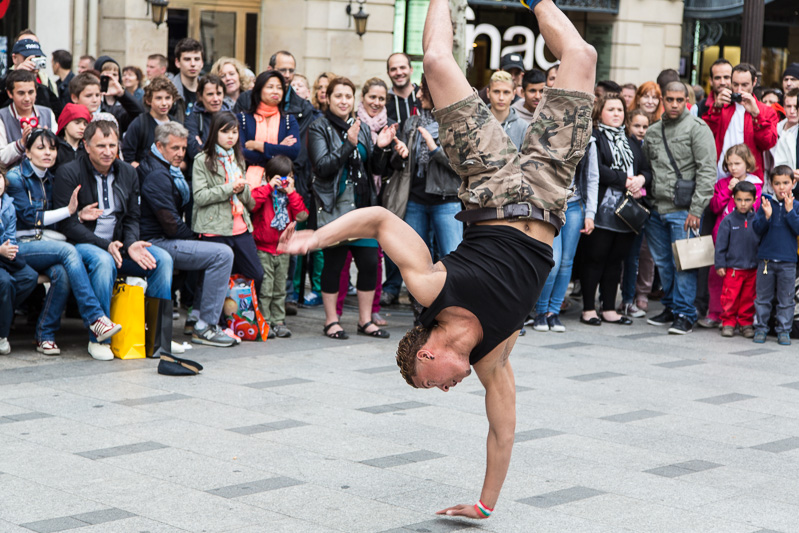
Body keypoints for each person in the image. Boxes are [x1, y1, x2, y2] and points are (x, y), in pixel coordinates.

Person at [280, 0, 595, 516]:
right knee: (581, 56)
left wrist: (317, 239)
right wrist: (484, 505)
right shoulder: (493, 356)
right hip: (548, 190)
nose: (450, 387)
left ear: (427, 354)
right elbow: (503, 429)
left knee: (436, 63)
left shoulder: (433, 290)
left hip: (491, 184)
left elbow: (381, 222)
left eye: (437, 382)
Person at [52, 120, 173, 361]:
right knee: (103, 261)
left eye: (112, 145)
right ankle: (99, 338)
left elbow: (132, 217)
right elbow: (67, 224)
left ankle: (158, 338)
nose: (108, 151)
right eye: (100, 146)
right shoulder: (69, 172)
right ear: (86, 146)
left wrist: (131, 244)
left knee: (162, 259)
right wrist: (104, 245)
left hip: (120, 246)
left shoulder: (128, 171)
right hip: (84, 246)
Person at [8, 128, 122, 358]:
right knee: (69, 251)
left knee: (62, 272)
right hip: (19, 246)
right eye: (40, 148)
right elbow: (31, 218)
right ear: (27, 152)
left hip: (45, 244)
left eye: (52, 148)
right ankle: (95, 318)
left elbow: (56, 222)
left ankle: (45, 335)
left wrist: (77, 216)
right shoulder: (15, 177)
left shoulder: (52, 176)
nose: (48, 153)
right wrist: (69, 210)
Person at [308, 76, 397, 340]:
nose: (344, 101)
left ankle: (365, 320)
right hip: (335, 207)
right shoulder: (319, 127)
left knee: (369, 264)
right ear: (328, 98)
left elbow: (376, 170)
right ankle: (331, 321)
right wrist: (348, 143)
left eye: (348, 96)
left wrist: (381, 148)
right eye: (338, 96)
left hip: (364, 207)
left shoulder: (360, 126)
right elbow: (322, 166)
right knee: (334, 265)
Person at [138, 122, 236, 347]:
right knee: (222, 254)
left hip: (164, 238)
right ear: (159, 146)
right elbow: (171, 224)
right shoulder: (156, 175)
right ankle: (205, 326)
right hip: (156, 243)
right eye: (175, 148)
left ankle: (197, 318)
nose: (181, 153)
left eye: (183, 148)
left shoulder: (164, 168)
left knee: (215, 249)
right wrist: (196, 238)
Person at [382, 75, 462, 314]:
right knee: (416, 258)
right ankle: (421, 309)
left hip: (446, 201)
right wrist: (400, 153)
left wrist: (435, 149)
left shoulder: (453, 123)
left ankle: (452, 307)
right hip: (415, 199)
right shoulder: (412, 122)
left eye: (423, 91)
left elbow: (461, 167)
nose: (417, 96)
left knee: (452, 256)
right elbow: (400, 163)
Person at [643, 81, 717, 334]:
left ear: (687, 100)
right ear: (663, 99)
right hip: (655, 208)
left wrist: (696, 209)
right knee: (664, 264)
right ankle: (671, 307)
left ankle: (685, 313)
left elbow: (708, 171)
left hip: (684, 209)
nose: (674, 104)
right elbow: (646, 169)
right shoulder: (653, 131)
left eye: (679, 100)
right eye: (670, 99)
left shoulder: (698, 129)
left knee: (684, 263)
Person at [578, 92, 651, 327]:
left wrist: (640, 179)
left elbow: (647, 170)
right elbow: (596, 170)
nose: (617, 114)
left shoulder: (631, 142)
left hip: (627, 213)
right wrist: (625, 179)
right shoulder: (595, 138)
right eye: (611, 109)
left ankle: (609, 307)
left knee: (616, 261)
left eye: (620, 110)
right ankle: (589, 308)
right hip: (600, 210)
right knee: (595, 259)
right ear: (600, 113)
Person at [335, 77, 396, 325]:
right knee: (341, 258)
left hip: (377, 197)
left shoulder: (391, 125)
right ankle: (335, 313)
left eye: (381, 99)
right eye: (373, 97)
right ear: (363, 98)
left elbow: (382, 167)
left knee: (373, 259)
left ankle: (372, 310)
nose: (377, 102)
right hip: (349, 197)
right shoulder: (351, 123)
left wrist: (390, 149)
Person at [533, 132, 598, 332]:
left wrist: (590, 213)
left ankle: (554, 312)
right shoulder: (547, 132)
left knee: (567, 262)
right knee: (553, 261)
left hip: (574, 205)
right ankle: (540, 312)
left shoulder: (589, 141)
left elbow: (593, 178)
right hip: (548, 206)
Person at [192, 111, 263, 293]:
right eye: (225, 132)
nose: (230, 136)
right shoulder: (202, 160)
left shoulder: (238, 158)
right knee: (218, 281)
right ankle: (221, 319)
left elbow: (247, 199)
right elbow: (200, 196)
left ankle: (240, 318)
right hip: (214, 227)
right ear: (215, 132)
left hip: (240, 225)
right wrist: (230, 188)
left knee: (256, 274)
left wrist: (242, 188)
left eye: (234, 132)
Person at [251, 155, 308, 338]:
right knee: (266, 288)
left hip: (283, 248)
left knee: (280, 287)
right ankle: (265, 321)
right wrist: (269, 187)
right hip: (263, 248)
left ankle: (278, 321)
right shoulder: (263, 192)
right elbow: (252, 204)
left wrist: (291, 192)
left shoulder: (291, 197)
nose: (283, 182)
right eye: (279, 177)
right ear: (269, 177)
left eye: (288, 177)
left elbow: (301, 215)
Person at [706, 143, 763, 327]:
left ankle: (741, 318)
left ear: (747, 163)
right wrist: (728, 190)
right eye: (729, 164)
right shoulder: (722, 183)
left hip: (745, 241)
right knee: (717, 275)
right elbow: (714, 206)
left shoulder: (756, 184)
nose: (733, 168)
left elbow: (756, 209)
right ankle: (716, 313)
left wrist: (741, 190)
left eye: (737, 163)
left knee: (743, 281)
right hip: (722, 238)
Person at [703, 62, 778, 180]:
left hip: (750, 179)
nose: (739, 89)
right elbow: (705, 135)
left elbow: (768, 143)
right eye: (735, 84)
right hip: (720, 178)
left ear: (754, 82)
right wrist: (716, 108)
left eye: (744, 85)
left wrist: (756, 115)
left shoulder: (766, 111)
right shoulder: (722, 107)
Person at [752, 165, 799, 346]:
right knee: (763, 298)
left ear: (793, 183)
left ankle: (784, 330)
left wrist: (790, 212)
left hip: (788, 262)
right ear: (771, 185)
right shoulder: (766, 204)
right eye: (777, 183)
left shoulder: (795, 206)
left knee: (786, 299)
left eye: (786, 183)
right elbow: (757, 229)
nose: (781, 187)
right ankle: (761, 328)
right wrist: (767, 216)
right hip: (766, 260)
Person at [238, 71, 301, 191]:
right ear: (259, 90)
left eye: (279, 88)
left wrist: (258, 145)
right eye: (270, 87)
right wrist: (279, 149)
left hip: (282, 186)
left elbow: (293, 151)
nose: (276, 91)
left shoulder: (288, 120)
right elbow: (241, 153)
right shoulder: (243, 119)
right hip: (247, 184)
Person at [619, 108, 654, 317]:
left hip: (638, 209)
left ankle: (627, 299)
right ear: (628, 125)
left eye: (645, 127)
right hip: (619, 206)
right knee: (618, 257)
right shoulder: (625, 144)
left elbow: (648, 172)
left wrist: (642, 180)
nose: (641, 130)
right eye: (637, 126)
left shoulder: (647, 146)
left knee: (634, 256)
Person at [0, 171, 39, 355]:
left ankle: (4, 313)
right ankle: (2, 334)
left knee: (29, 276)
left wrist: (9, 248)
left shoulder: (8, 203)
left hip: (5, 256)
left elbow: (10, 234)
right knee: (4, 283)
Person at [714, 181, 758, 338]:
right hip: (733, 269)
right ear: (733, 199)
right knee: (729, 297)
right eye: (739, 200)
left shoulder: (758, 220)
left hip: (752, 268)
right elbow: (720, 245)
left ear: (754, 199)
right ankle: (728, 322)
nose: (743, 204)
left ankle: (746, 323)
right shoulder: (728, 221)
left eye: (747, 200)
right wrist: (720, 264)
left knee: (749, 298)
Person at [0, 70, 57, 167]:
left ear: (36, 91)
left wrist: (46, 140)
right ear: (10, 93)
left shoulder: (47, 113)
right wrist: (21, 143)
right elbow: (1, 158)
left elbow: (56, 149)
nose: (27, 98)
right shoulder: (2, 116)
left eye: (31, 92)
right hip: (12, 178)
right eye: (21, 93)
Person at [122, 76, 178, 167]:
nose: (164, 103)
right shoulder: (139, 124)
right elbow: (128, 159)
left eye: (167, 98)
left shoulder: (176, 125)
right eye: (158, 98)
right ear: (149, 100)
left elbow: (184, 161)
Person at [0, 37, 60, 114]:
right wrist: (16, 75)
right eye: (27, 58)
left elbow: (57, 113)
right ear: (14, 58)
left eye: (36, 59)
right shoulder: (4, 82)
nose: (32, 64)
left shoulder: (44, 88)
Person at [94, 56, 145, 134]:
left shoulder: (123, 102)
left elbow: (139, 114)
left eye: (114, 75)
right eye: (106, 75)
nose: (111, 78)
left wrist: (122, 94)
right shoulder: (94, 99)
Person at [186, 75, 228, 161]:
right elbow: (193, 151)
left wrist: (203, 146)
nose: (216, 99)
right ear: (200, 96)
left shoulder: (231, 117)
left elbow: (237, 150)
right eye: (210, 94)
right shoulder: (193, 118)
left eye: (219, 93)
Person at [487, 71, 528, 149]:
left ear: (513, 94)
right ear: (488, 93)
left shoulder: (523, 127)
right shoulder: (477, 123)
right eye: (496, 91)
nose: (501, 98)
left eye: (506, 92)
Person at [170, 38, 205, 122]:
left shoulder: (209, 89)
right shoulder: (169, 90)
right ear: (177, 62)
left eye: (196, 59)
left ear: (202, 63)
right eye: (187, 59)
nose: (192, 64)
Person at [53, 102, 92, 173]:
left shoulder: (88, 148)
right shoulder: (55, 147)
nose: (82, 127)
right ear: (65, 124)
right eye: (77, 123)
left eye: (85, 124)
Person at [386, 53, 419, 126]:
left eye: (402, 67)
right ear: (388, 73)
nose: (398, 72)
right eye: (393, 69)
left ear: (411, 69)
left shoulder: (424, 96)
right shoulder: (384, 102)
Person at [772, 88, 799, 178]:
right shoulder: (775, 128)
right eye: (788, 106)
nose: (792, 111)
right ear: (783, 106)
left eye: (796, 107)